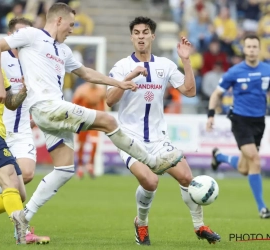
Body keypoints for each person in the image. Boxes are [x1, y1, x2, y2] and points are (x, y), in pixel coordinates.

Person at [0, 2, 183, 231]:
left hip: (51, 112)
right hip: (47, 106)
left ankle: (24, 217)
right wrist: (0, 84)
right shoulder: (31, 35)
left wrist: (118, 82)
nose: (72, 29)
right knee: (109, 121)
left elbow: (86, 73)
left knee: (64, 170)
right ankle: (153, 162)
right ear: (58, 20)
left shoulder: (64, 50)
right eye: (70, 25)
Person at [106, 16, 221, 246]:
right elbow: (109, 100)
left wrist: (185, 60)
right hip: (130, 139)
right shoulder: (121, 66)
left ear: (152, 36)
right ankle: (142, 223)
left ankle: (200, 227)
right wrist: (128, 79)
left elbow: (189, 91)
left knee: (188, 177)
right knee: (150, 182)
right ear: (131, 37)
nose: (141, 36)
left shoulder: (165, 65)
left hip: (159, 139)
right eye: (136, 32)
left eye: (145, 32)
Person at [0, 17, 49, 244]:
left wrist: (24, 90)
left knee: (18, 191)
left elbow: (10, 103)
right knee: (8, 182)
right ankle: (23, 234)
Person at [206, 34, 270, 219]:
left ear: (259, 49)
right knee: (255, 160)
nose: (251, 50)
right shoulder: (234, 72)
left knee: (245, 168)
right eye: (248, 47)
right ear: (244, 49)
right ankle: (262, 208)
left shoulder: (267, 69)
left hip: (259, 121)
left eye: (254, 47)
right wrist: (211, 115)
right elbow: (216, 94)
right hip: (240, 120)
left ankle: (220, 156)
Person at [72, 82, 106, 179]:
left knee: (95, 143)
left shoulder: (100, 91)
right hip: (82, 121)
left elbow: (103, 105)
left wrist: (102, 117)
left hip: (94, 121)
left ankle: (90, 164)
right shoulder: (81, 90)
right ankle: (80, 167)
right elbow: (74, 103)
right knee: (81, 145)